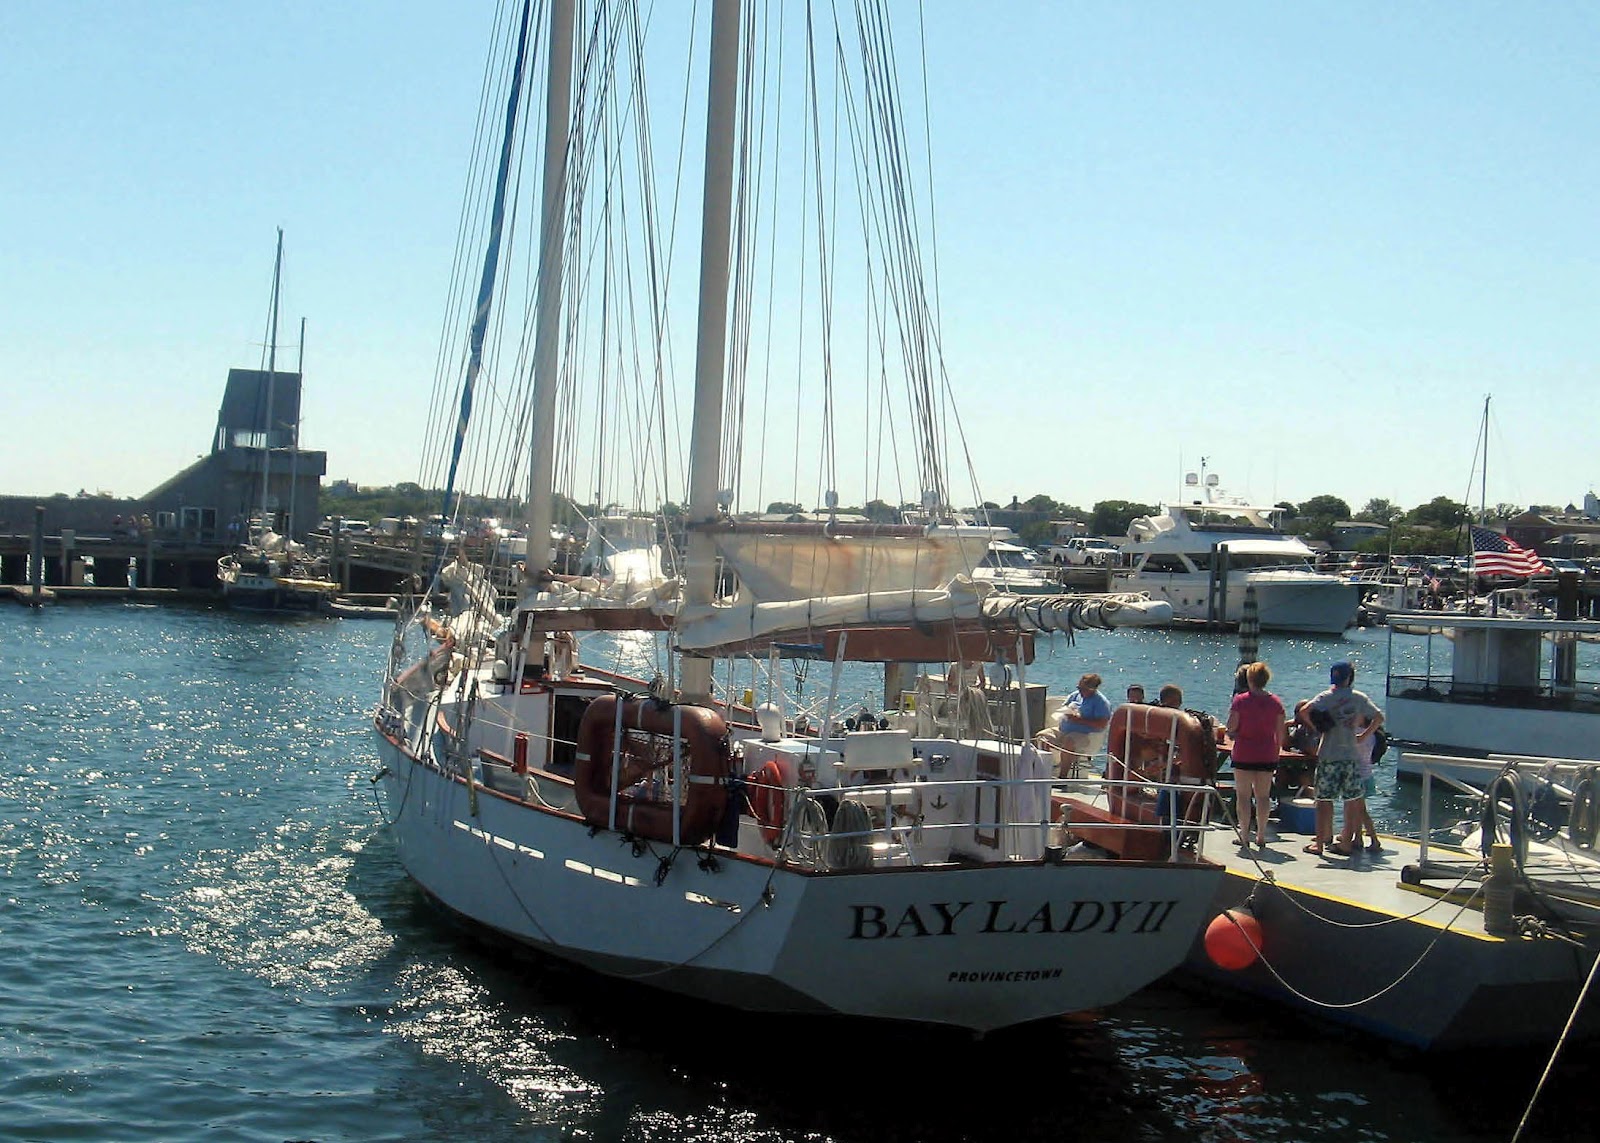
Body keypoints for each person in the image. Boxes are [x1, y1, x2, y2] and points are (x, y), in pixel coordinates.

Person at [1300, 661, 1383, 858]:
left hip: (1329, 754)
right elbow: (1379, 717)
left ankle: (1319, 843)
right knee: (1351, 800)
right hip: (1350, 756)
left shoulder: (1325, 697)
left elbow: (1304, 711)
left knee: (1323, 800)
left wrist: (1318, 728)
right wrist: (1363, 736)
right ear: (1350, 677)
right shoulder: (1359, 698)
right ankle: (1346, 843)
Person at [1227, 661, 1287, 850]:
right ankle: (1261, 835)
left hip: (1244, 752)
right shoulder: (1276, 703)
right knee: (1263, 796)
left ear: (1249, 679)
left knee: (1243, 796)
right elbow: (1280, 733)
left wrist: (1233, 733)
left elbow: (1231, 727)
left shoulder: (1240, 700)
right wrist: (1276, 752)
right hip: (1267, 753)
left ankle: (1244, 834)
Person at [1055, 673, 1112, 777]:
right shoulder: (1075, 695)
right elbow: (1065, 705)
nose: (1080, 691)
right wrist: (1068, 711)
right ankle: (1043, 771)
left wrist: (1079, 720)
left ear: (1092, 689)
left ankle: (1062, 778)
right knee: (1043, 737)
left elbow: (1102, 724)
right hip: (1064, 729)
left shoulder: (1101, 702)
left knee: (1069, 742)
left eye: (1083, 689)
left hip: (1085, 735)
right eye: (1079, 688)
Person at [1350, 716, 1383, 852]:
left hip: (1357, 775)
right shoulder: (1372, 735)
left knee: (1360, 810)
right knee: (1358, 809)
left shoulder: (1356, 734)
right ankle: (1358, 838)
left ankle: (1374, 840)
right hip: (1367, 774)